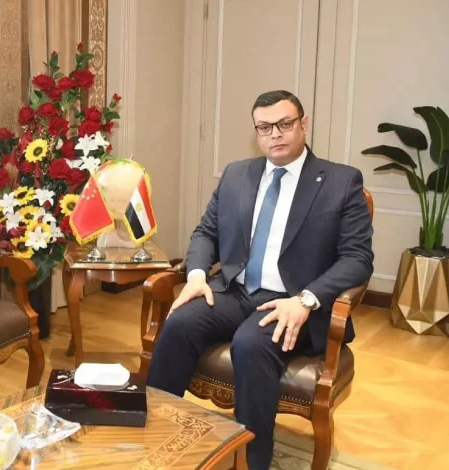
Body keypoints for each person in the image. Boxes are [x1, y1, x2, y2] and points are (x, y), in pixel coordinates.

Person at [147, 90, 373, 469]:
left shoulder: (340, 181)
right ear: (256, 132)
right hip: (235, 290)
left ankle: (252, 461)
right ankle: (155, 437)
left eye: (285, 124)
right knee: (179, 323)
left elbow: (357, 259)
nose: (275, 134)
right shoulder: (237, 174)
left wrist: (306, 300)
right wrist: (198, 274)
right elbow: (206, 233)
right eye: (265, 127)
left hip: (294, 301)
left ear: (303, 125)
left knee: (251, 344)